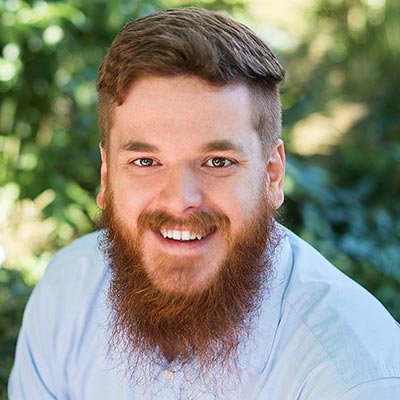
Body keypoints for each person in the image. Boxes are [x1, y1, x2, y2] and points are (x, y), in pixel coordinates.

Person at [8, 7, 400, 400]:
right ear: (107, 175)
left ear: (272, 175)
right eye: (145, 161)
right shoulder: (67, 290)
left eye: (217, 162)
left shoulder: (354, 377)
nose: (180, 200)